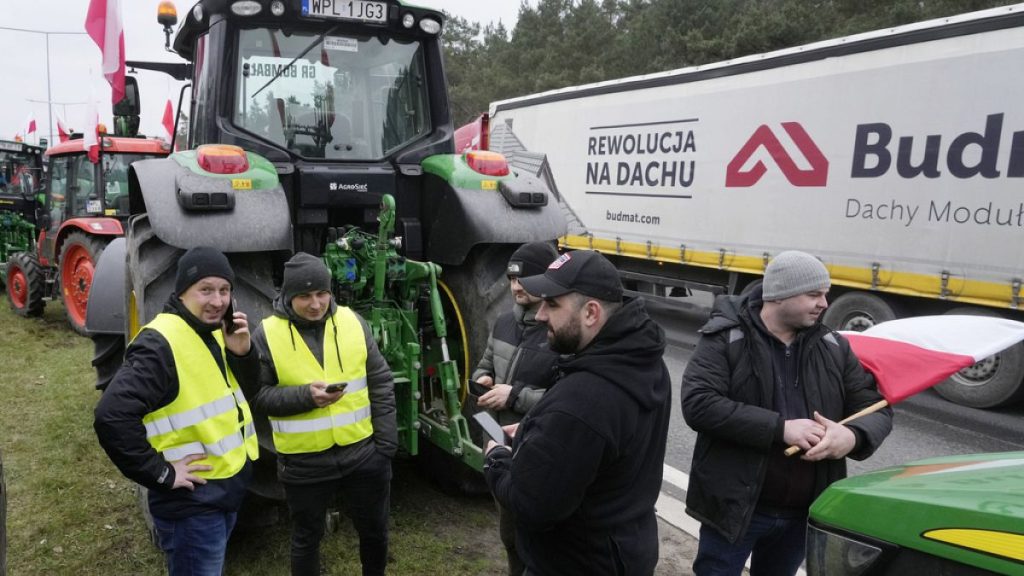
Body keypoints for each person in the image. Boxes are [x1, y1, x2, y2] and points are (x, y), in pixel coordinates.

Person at [681, 250, 894, 576]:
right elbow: (699, 403)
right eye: (813, 294)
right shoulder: (726, 337)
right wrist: (780, 429)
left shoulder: (834, 346)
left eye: (825, 293)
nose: (824, 303)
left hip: (803, 513)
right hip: (736, 509)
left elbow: (874, 406)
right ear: (779, 295)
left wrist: (851, 436)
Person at [483, 249, 672, 575]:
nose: (540, 315)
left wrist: (498, 459)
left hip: (574, 561)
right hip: (624, 549)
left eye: (553, 304)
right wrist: (534, 431)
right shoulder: (646, 364)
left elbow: (533, 506)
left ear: (591, 313)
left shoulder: (582, 402)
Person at [94, 246, 259, 576]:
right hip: (193, 507)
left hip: (221, 493)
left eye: (225, 290)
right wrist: (161, 473)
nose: (217, 301)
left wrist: (242, 354)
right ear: (182, 291)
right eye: (206, 290)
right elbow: (111, 417)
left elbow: (244, 397)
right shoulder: (160, 343)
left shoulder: (212, 332)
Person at [249, 252, 397, 576]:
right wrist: (305, 397)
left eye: (321, 293)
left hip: (363, 455)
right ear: (288, 296)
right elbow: (257, 396)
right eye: (304, 296)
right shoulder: (266, 334)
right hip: (304, 464)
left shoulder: (352, 322)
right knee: (306, 539)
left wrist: (385, 447)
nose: (315, 304)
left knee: (374, 532)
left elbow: (381, 380)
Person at [471, 241, 560, 575]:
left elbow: (566, 399)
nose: (516, 286)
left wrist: (514, 396)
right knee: (509, 535)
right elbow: (485, 364)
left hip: (537, 447)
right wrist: (483, 380)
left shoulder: (558, 333)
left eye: (525, 279)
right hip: (499, 442)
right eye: (511, 279)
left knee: (537, 540)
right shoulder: (504, 322)